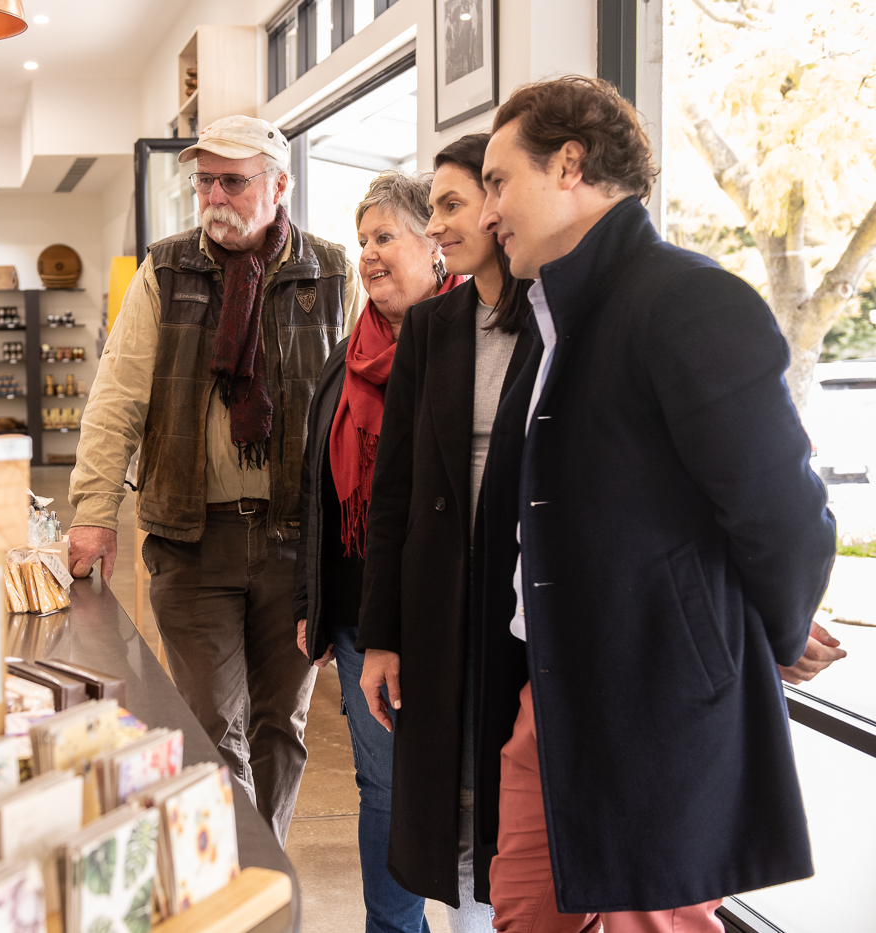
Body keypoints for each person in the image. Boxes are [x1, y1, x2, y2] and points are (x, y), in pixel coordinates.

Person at [473, 77, 844, 932]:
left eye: (498, 182)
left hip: (657, 714)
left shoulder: (687, 298)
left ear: (569, 164)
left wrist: (773, 633)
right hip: (550, 697)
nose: (489, 213)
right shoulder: (557, 317)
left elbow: (782, 510)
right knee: (524, 913)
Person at [68, 115, 358, 845]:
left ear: (280, 184)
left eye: (232, 181)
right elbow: (117, 397)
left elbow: (363, 407)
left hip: (297, 543)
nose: (214, 197)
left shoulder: (333, 273)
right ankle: (232, 869)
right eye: (204, 182)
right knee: (209, 724)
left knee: (280, 724)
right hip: (193, 541)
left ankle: (264, 864)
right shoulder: (165, 271)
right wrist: (93, 511)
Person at [352, 133, 535, 932]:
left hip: (523, 605)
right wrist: (382, 635)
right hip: (441, 608)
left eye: (451, 204)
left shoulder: (558, 320)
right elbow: (393, 492)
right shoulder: (433, 326)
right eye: (433, 207)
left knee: (515, 807)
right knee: (452, 804)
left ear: (500, 206)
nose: (436, 225)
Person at [293, 169, 469, 933]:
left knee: (470, 787)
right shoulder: (345, 357)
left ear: (435, 244)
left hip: (453, 613)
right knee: (385, 786)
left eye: (385, 236)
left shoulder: (476, 343)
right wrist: (312, 601)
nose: (367, 253)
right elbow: (318, 493)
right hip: (362, 615)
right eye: (363, 239)